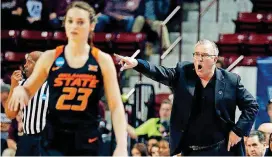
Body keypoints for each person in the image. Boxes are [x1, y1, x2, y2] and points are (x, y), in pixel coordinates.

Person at [7, 1, 127, 156]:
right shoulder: (50, 57)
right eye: (70, 21)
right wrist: (20, 91)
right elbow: (28, 89)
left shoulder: (102, 60)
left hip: (87, 137)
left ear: (91, 25)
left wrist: (122, 145)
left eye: (80, 22)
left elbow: (116, 106)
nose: (74, 26)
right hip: (55, 139)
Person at [115, 39, 259, 155]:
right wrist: (137, 64)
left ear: (214, 59)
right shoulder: (183, 72)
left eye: (204, 55)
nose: (199, 59)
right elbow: (160, 72)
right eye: (196, 54)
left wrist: (238, 131)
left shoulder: (230, 80)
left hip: (220, 149)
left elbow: (251, 105)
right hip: (190, 150)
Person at [5, 51, 49, 156]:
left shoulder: (53, 85)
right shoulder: (22, 85)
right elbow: (10, 114)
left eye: (29, 62)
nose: (25, 65)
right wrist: (13, 86)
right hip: (27, 138)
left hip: (47, 139)